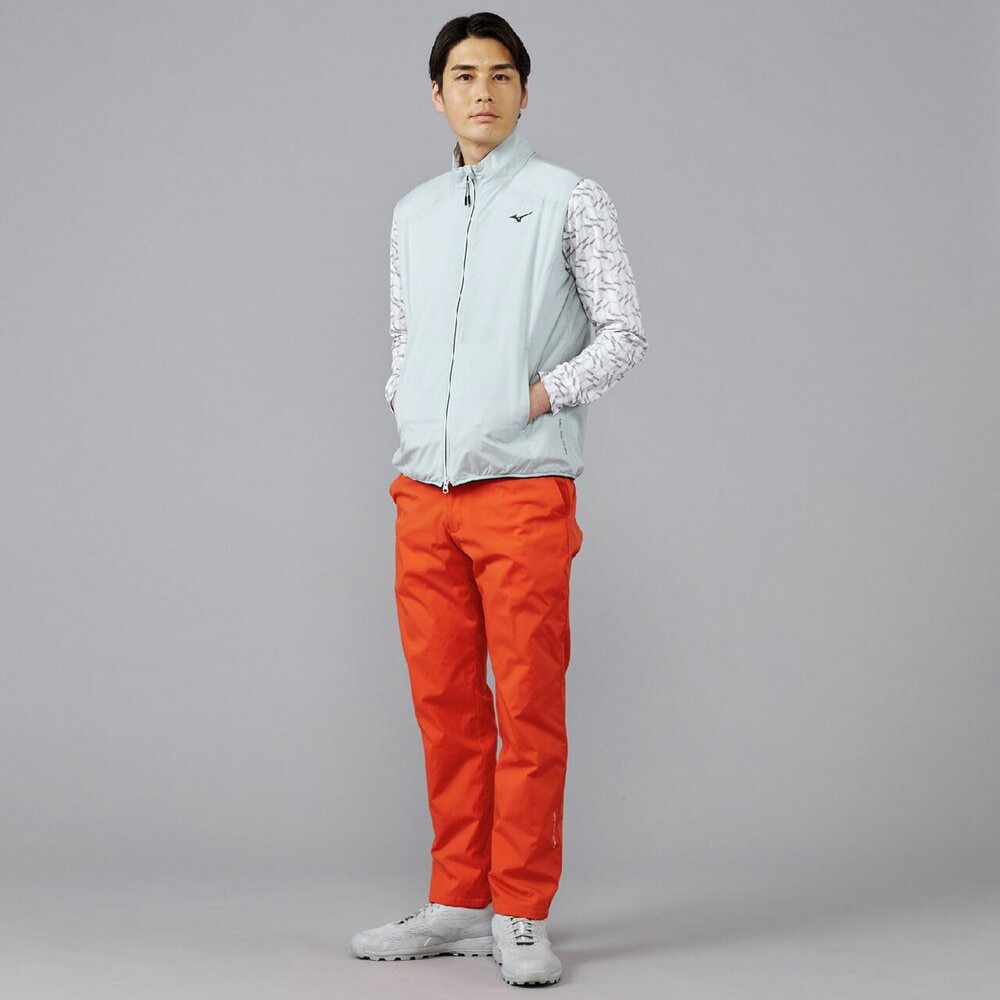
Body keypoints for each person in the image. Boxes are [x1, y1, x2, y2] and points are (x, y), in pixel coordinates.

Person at [351, 11, 647, 988]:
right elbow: (405, 334)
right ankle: (457, 900)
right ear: (436, 95)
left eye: (501, 75)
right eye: (464, 76)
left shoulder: (570, 198)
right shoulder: (413, 212)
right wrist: (404, 398)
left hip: (521, 488)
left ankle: (521, 908)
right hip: (423, 494)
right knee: (445, 707)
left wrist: (529, 399)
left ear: (523, 92)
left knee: (527, 706)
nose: (482, 91)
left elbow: (623, 332)